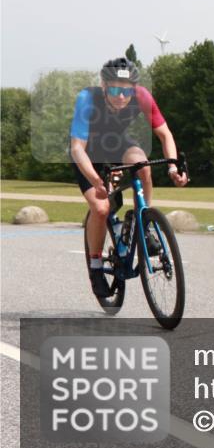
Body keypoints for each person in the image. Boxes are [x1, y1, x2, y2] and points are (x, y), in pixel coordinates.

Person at [70, 57, 188, 298]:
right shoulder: (88, 99)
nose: (121, 96)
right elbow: (76, 149)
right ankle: (95, 268)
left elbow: (165, 135)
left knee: (143, 166)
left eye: (126, 91)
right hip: (87, 152)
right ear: (103, 86)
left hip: (116, 143)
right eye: (114, 90)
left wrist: (173, 168)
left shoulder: (142, 96)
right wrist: (96, 181)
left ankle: (145, 224)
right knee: (101, 209)